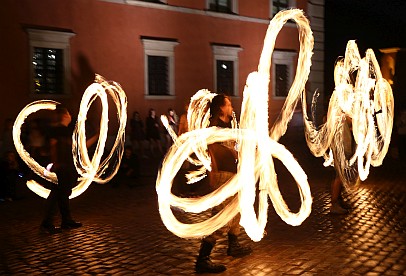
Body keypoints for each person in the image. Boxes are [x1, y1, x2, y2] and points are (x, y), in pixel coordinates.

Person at [195, 94, 252, 274]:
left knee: (236, 210)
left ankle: (233, 244)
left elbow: (232, 146)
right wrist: (213, 172)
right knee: (220, 216)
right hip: (222, 175)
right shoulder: (214, 126)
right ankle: (203, 258)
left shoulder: (229, 125)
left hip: (233, 173)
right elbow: (210, 150)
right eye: (228, 104)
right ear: (221, 108)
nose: (232, 106)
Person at [40, 106, 97, 234]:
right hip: (63, 167)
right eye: (69, 113)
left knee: (62, 194)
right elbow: (53, 145)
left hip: (67, 166)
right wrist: (56, 163)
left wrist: (98, 135)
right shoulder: (59, 130)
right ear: (65, 116)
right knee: (57, 194)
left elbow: (80, 147)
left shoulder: (65, 130)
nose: (71, 116)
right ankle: (48, 223)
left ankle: (66, 220)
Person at [330, 114, 353, 215]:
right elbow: (351, 120)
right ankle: (334, 205)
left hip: (343, 146)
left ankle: (339, 200)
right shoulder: (340, 113)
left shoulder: (340, 112)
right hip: (341, 148)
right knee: (339, 176)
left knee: (341, 175)